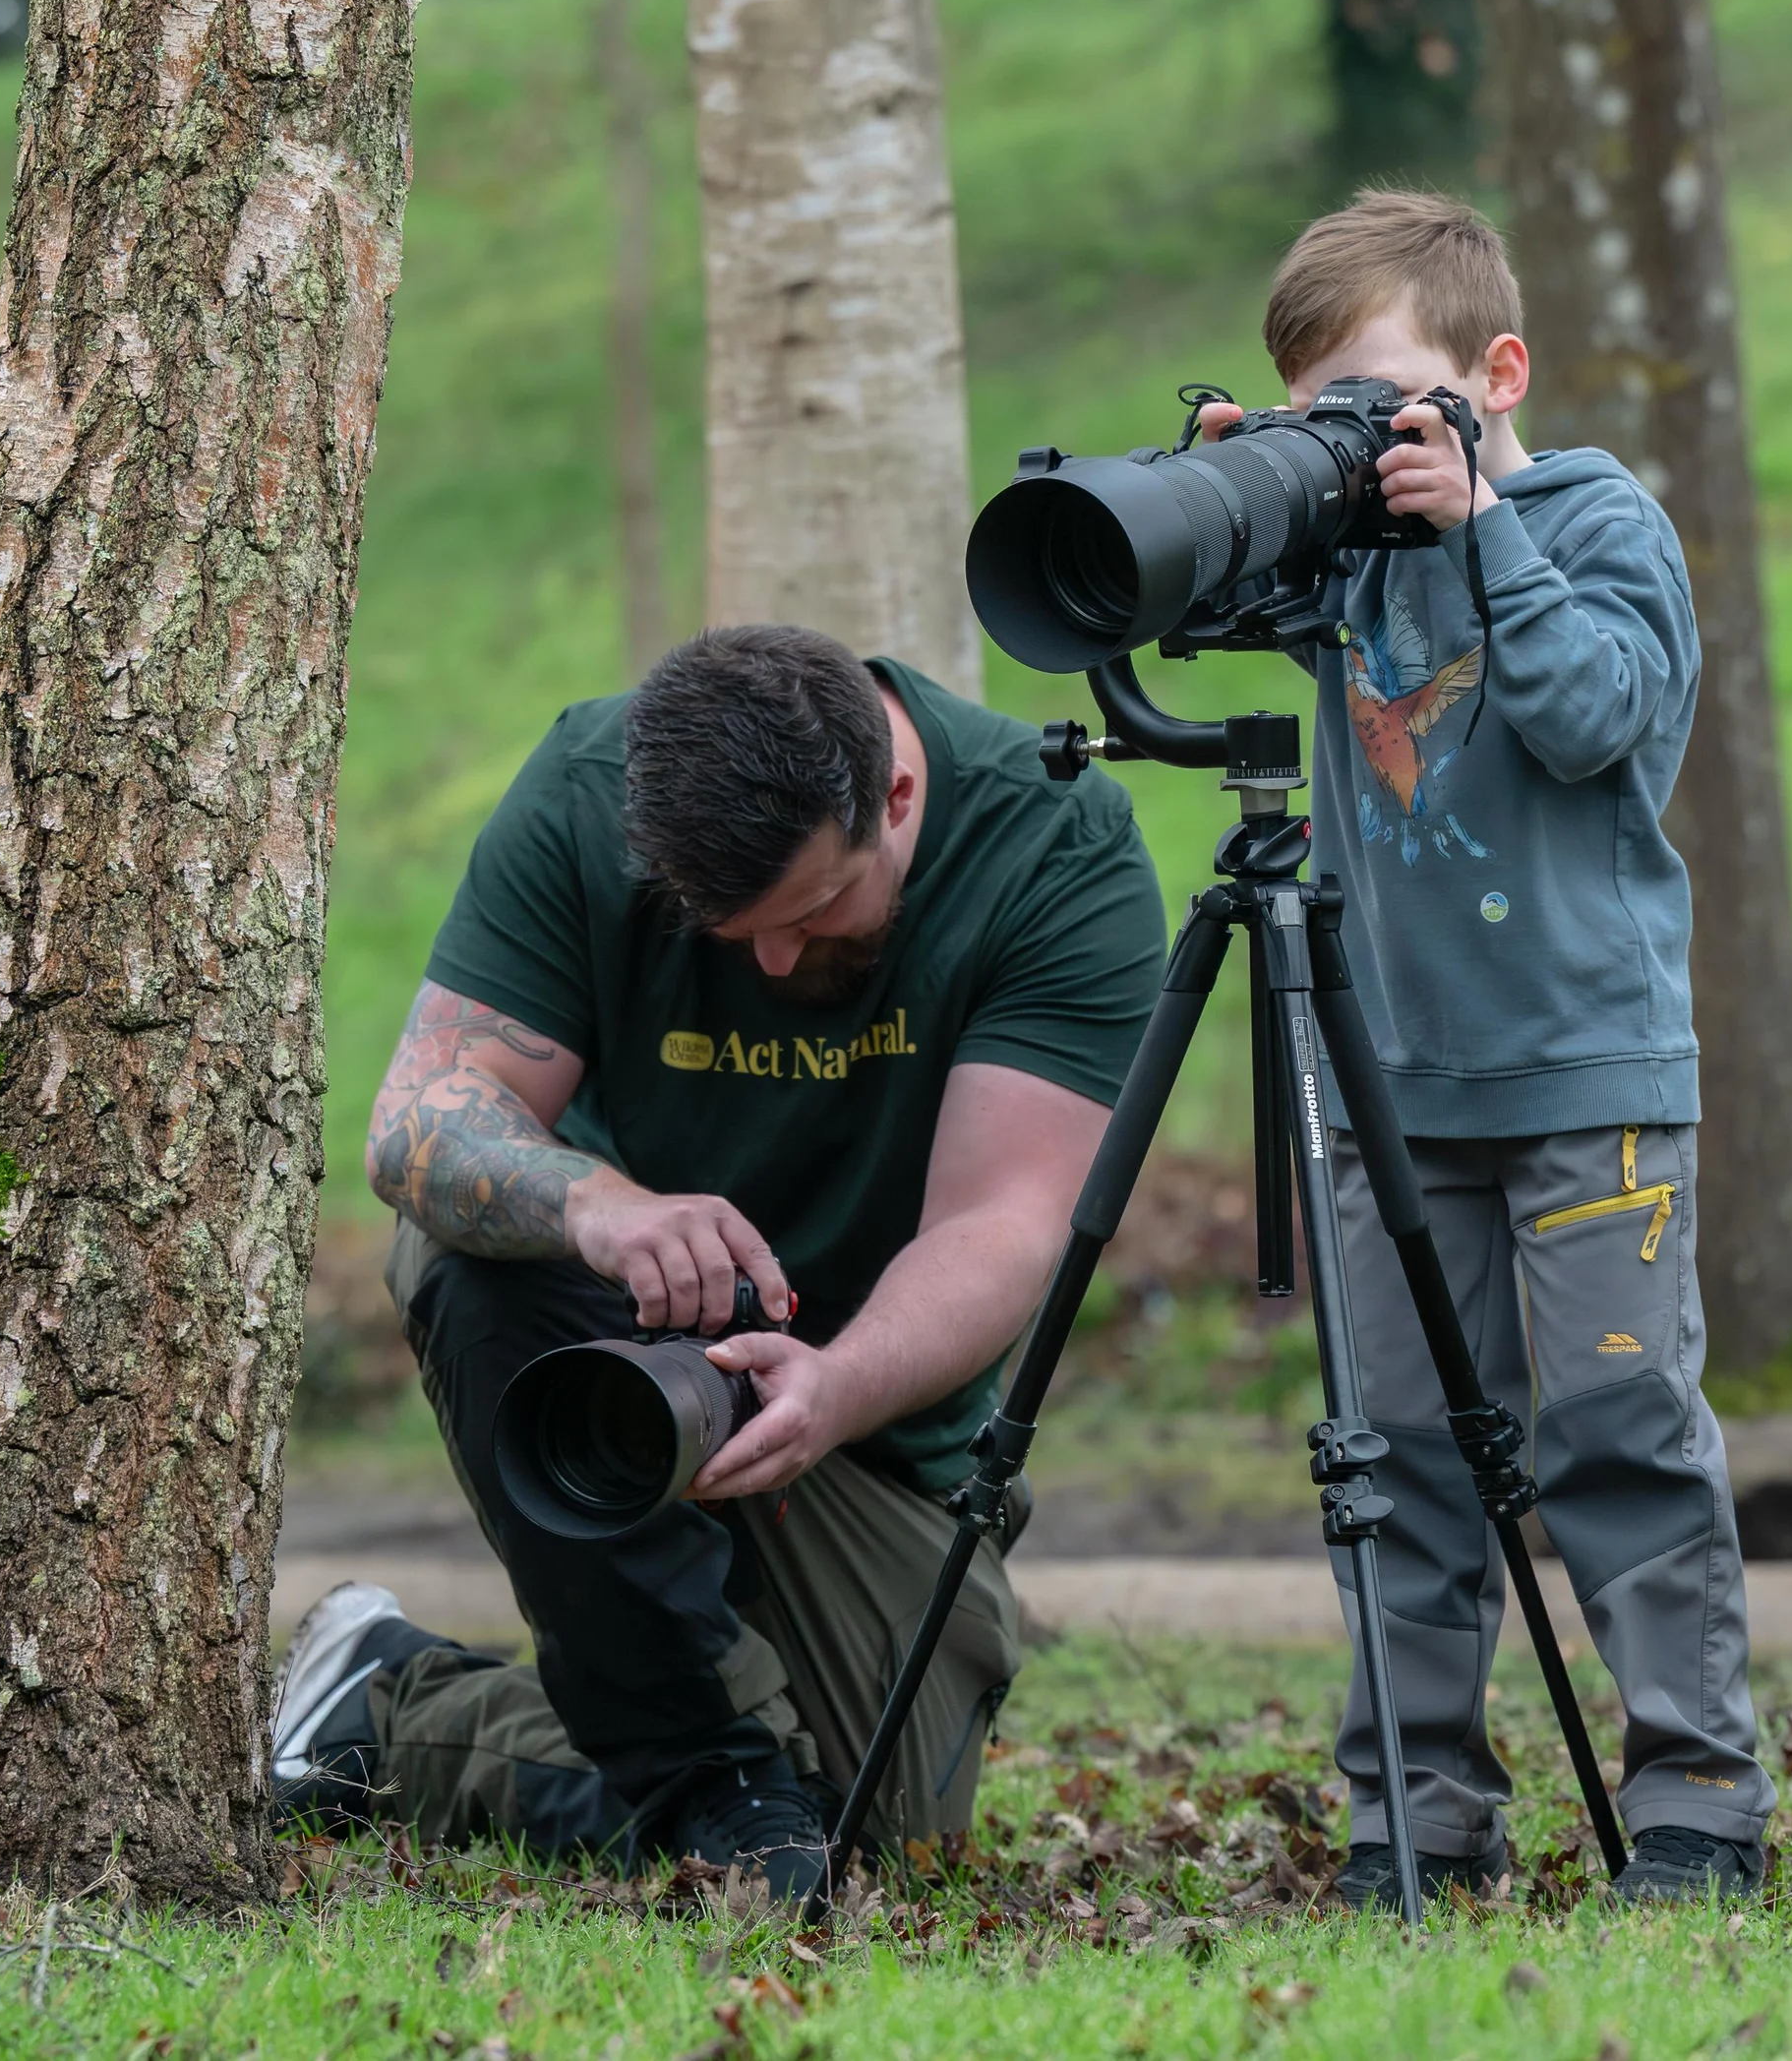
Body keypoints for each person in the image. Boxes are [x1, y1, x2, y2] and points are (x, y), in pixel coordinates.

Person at [271, 625, 1165, 1894]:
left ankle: (383, 1703)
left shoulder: (1055, 847)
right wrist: (597, 1205)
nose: (775, 961)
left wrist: (838, 1384)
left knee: (872, 1844)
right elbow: (420, 1116)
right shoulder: (588, 788)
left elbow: (1004, 1226)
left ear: (897, 798)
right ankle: (716, 1775)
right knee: (467, 1242)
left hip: (873, 1429)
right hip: (622, 1364)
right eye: (727, 928)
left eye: (810, 911)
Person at [1193, 189, 1776, 1906]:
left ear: (1495, 373)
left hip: (1585, 1081)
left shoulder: (1601, 523)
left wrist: (1482, 533)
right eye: (1325, 415)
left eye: (1380, 403)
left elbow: (1600, 722)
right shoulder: (1347, 546)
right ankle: (1418, 1824)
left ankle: (1693, 1809)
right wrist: (1240, 495)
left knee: (1620, 1432)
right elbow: (1193, 643)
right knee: (1399, 1466)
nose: (1359, 444)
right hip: (1389, 1088)